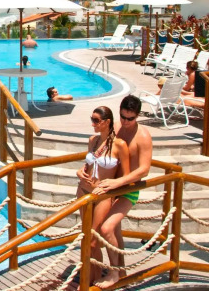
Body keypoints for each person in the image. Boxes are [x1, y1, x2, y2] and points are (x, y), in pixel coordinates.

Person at [86, 95, 152, 289]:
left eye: (130, 118)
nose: (125, 121)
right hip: (110, 188)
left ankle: (114, 273)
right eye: (123, 116)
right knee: (114, 231)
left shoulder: (143, 136)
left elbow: (144, 169)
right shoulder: (116, 127)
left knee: (107, 228)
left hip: (129, 189)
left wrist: (119, 182)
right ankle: (120, 271)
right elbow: (99, 149)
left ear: (137, 116)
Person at [76, 106, 129, 283]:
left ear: (107, 122)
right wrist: (80, 171)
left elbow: (126, 175)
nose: (93, 124)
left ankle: (99, 277)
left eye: (96, 120)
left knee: (93, 241)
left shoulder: (119, 145)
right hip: (83, 191)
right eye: (92, 119)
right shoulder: (93, 140)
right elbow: (88, 165)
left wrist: (113, 185)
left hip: (102, 196)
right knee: (86, 240)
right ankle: (92, 278)